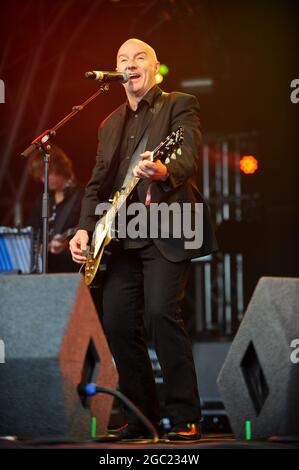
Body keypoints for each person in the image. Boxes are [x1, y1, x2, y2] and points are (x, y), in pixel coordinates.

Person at [70, 38, 217, 440]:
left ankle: (186, 416)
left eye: (138, 58)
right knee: (117, 323)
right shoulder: (110, 122)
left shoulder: (178, 104)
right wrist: (85, 228)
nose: (129, 64)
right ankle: (141, 417)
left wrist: (163, 172)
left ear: (153, 67)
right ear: (116, 72)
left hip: (167, 228)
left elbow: (186, 154)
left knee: (160, 315)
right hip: (120, 238)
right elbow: (97, 184)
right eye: (122, 60)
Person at [28, 144, 84, 273]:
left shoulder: (84, 196)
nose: (43, 180)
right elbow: (32, 231)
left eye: (46, 174)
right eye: (40, 176)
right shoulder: (42, 199)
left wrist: (67, 243)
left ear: (60, 169)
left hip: (72, 271)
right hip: (44, 271)